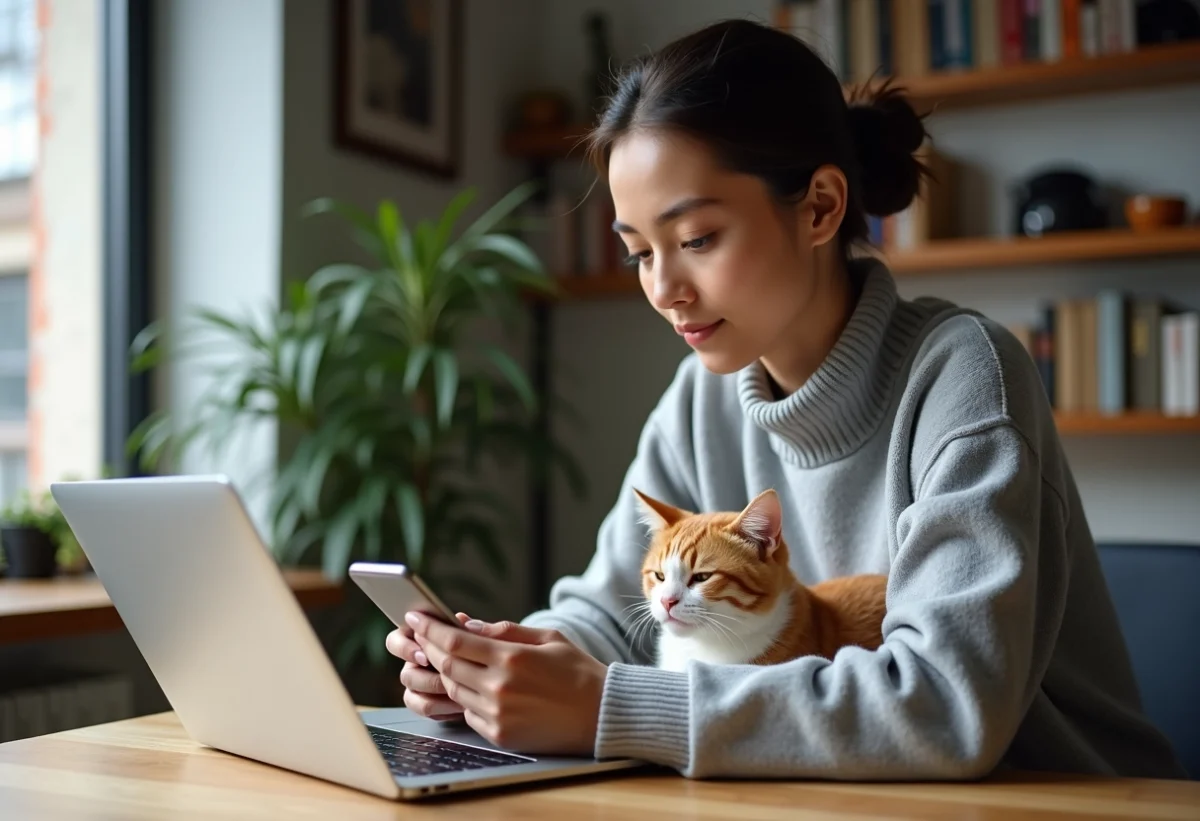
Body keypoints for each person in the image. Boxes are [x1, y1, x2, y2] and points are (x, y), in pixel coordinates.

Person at [386, 18, 1186, 780]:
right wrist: (501, 667)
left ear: (820, 207)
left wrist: (606, 703)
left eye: (696, 238)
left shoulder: (965, 374)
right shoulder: (701, 397)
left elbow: (946, 704)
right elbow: (602, 617)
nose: (664, 289)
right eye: (639, 252)